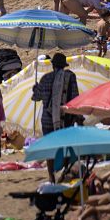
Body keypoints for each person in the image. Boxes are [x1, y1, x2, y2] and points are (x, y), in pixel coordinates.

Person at [32, 52, 79, 182]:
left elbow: (36, 98)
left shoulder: (45, 78)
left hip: (48, 119)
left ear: (52, 65)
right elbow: (75, 97)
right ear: (64, 65)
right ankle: (64, 172)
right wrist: (78, 116)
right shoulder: (70, 76)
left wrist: (35, 89)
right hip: (65, 119)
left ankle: (51, 176)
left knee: (50, 148)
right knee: (66, 145)